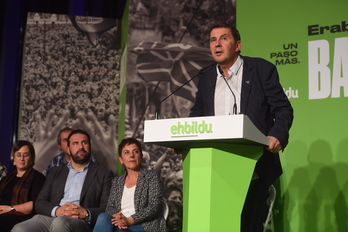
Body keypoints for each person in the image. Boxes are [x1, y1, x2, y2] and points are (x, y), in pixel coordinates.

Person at [189, 23, 294, 231]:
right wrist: (187, 139)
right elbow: (197, 114)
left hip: (253, 166)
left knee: (248, 226)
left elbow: (283, 109)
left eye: (224, 38)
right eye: (212, 40)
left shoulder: (261, 70)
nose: (217, 44)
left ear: (237, 45)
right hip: (214, 169)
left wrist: (277, 136)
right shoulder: (206, 76)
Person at [12, 129, 114, 232]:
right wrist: (57, 210)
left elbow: (107, 207)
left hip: (80, 221)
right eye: (75, 143)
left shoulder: (103, 174)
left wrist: (86, 213)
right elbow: (40, 202)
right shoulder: (55, 172)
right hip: (53, 216)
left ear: (90, 146)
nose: (81, 147)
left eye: (84, 142)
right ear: (69, 149)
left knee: (60, 223)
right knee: (20, 228)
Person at [93, 137, 166, 232]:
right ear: (121, 159)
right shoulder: (117, 181)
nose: (131, 155)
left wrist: (130, 220)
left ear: (141, 156)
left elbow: (154, 206)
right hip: (120, 223)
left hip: (144, 225)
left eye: (135, 151)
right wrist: (119, 217)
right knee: (103, 216)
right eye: (126, 152)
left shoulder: (151, 176)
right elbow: (110, 207)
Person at [0, 140, 45, 232]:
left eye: (26, 155)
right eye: (18, 155)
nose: (22, 159)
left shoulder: (38, 178)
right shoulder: (6, 179)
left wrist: (10, 209)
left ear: (31, 158)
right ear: (13, 158)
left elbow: (36, 204)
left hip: (24, 216)